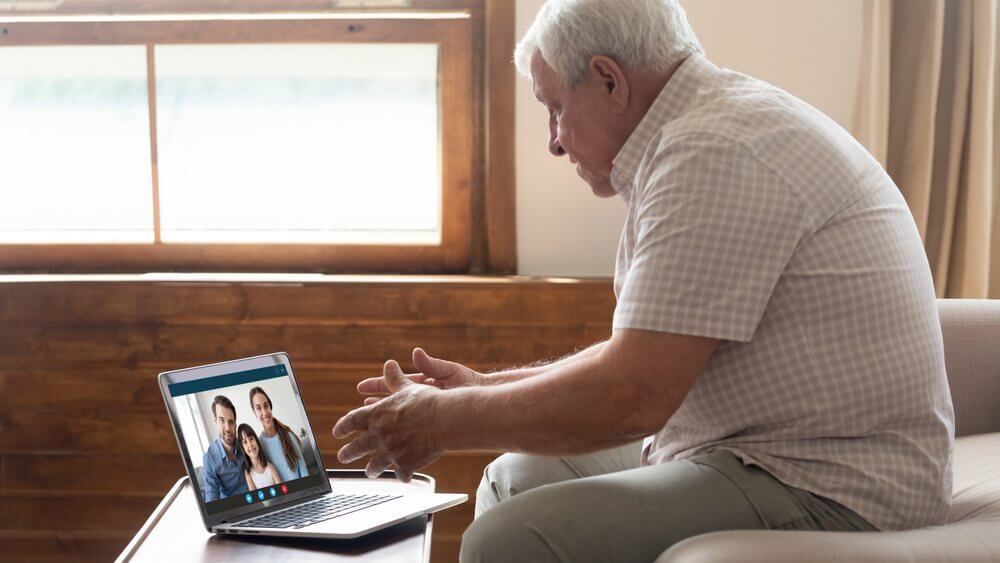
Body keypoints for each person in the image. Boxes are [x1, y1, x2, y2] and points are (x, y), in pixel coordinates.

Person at [332, 0, 955, 561]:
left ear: (609, 79)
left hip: (832, 480)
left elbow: (633, 396)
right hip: (759, 444)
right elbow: (648, 351)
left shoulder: (712, 152)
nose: (552, 141)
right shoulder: (706, 128)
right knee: (513, 475)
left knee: (509, 538)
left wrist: (445, 419)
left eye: (554, 108)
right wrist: (483, 389)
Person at [249, 386, 307, 481]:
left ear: (270, 406)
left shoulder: (288, 435)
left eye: (266, 406)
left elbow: (304, 472)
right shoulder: (259, 446)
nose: (264, 412)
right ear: (254, 412)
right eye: (259, 408)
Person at [201, 395, 249, 502]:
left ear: (235, 424)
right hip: (232, 508)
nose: (227, 428)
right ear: (215, 421)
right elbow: (211, 496)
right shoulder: (209, 458)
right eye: (222, 420)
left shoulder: (243, 444)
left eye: (231, 422)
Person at [237, 423, 282, 491]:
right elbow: (255, 498)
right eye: (245, 442)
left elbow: (281, 490)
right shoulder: (248, 473)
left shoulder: (270, 467)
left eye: (251, 439)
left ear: (257, 441)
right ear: (243, 449)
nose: (250, 444)